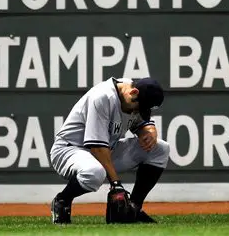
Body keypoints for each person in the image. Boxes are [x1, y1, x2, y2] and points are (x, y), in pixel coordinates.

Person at [49, 76, 170, 224]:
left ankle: (133, 209)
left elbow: (141, 122)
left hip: (106, 150)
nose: (137, 112)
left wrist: (150, 130)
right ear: (133, 92)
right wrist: (116, 185)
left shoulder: (132, 95)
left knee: (160, 149)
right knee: (95, 173)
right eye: (139, 107)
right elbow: (97, 148)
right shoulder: (103, 97)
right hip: (70, 150)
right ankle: (62, 200)